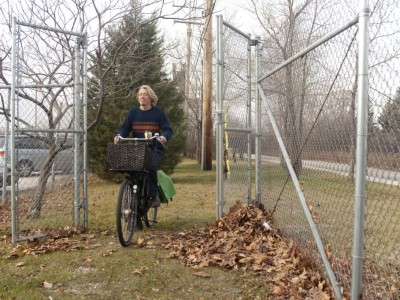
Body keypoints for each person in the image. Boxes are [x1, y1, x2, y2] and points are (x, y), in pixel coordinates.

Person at [114, 84, 173, 209]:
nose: (142, 97)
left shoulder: (158, 113)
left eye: (145, 95)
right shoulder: (133, 113)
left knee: (150, 166)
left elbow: (168, 129)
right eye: (140, 94)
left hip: (154, 147)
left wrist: (164, 137)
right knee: (132, 171)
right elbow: (125, 128)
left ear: (151, 97)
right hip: (138, 148)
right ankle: (134, 197)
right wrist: (119, 136)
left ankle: (153, 195)